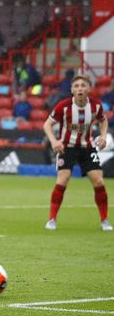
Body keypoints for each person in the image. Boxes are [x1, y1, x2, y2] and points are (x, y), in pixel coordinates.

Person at [43, 75, 112, 231]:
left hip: (87, 147)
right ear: (72, 90)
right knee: (63, 179)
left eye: (83, 85)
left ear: (88, 88)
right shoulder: (63, 106)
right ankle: (52, 219)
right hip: (66, 147)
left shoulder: (96, 105)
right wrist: (54, 141)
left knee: (99, 182)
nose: (80, 88)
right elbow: (47, 124)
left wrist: (102, 136)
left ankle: (104, 220)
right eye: (76, 86)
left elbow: (103, 120)